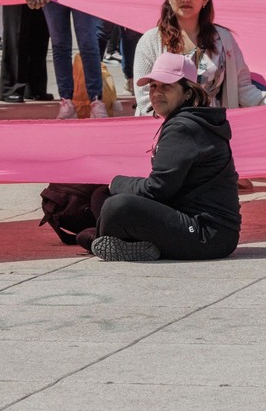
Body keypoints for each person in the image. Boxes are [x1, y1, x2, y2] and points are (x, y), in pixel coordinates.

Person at [91, 52, 241, 262]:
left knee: (116, 206)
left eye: (166, 86)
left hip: (208, 235)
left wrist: (116, 183)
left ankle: (105, 240)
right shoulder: (186, 121)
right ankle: (120, 242)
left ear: (188, 93)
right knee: (100, 197)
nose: (157, 93)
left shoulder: (184, 127)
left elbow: (156, 189)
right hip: (201, 226)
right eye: (153, 86)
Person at [132, 0, 266, 115]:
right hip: (167, 126)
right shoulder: (149, 41)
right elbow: (145, 100)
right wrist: (178, 124)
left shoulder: (224, 39)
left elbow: (242, 88)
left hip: (213, 125)